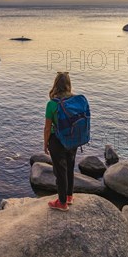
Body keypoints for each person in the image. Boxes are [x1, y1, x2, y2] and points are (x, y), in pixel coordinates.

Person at [44, 72, 77, 211]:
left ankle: (62, 203)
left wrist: (45, 143)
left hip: (57, 140)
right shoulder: (75, 100)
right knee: (70, 167)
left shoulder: (52, 104)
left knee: (60, 171)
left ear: (55, 85)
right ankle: (69, 196)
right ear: (69, 84)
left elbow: (47, 128)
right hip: (73, 139)